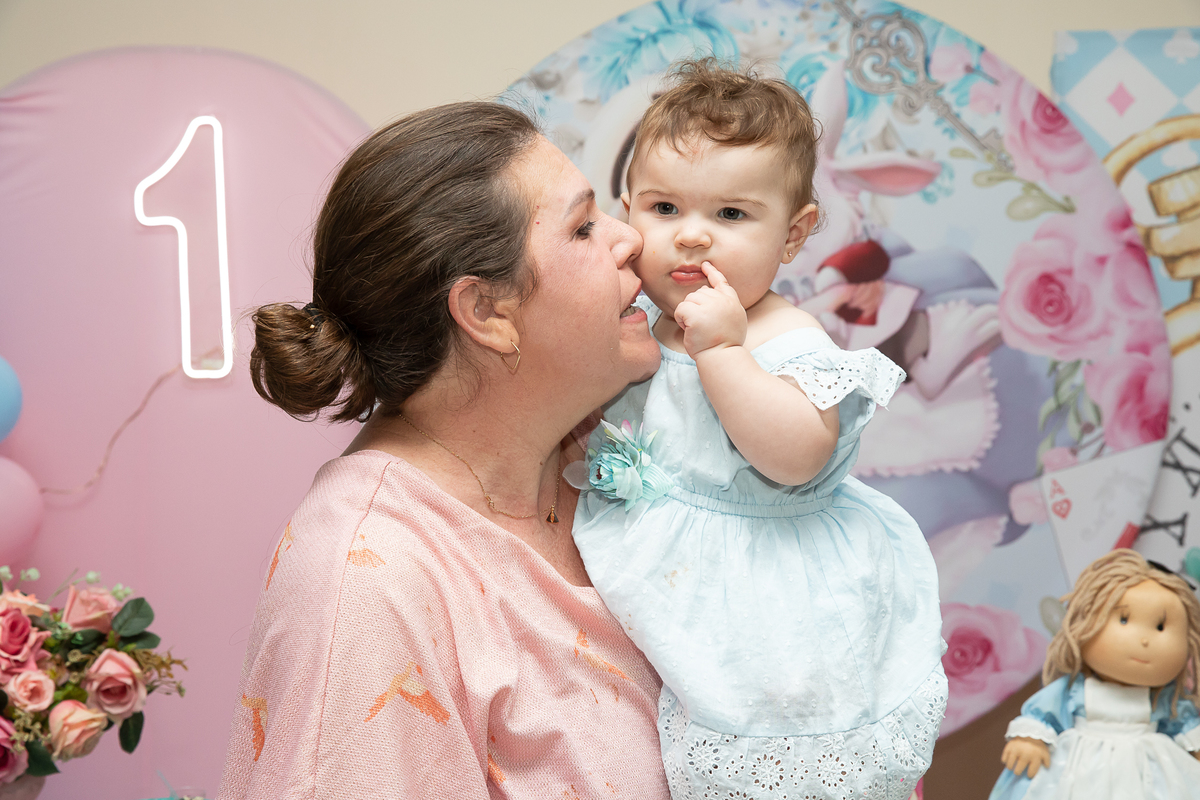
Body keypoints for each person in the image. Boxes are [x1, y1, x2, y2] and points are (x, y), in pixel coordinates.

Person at [216, 102, 672, 798]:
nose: (631, 238)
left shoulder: (614, 445)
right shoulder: (367, 585)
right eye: (583, 227)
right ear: (486, 312)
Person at [570, 59, 947, 799]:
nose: (692, 237)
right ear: (627, 213)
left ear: (793, 235)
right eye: (665, 209)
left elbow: (797, 456)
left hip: (767, 596)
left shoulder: (786, 335)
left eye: (732, 216)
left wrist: (723, 353)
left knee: (766, 752)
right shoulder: (637, 324)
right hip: (663, 574)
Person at [989, 549, 1200, 800]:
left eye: (1160, 626)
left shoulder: (1163, 699)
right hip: (1079, 772)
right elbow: (1043, 715)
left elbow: (1186, 725)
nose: (1144, 640)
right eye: (1124, 619)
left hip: (1151, 775)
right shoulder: (1074, 689)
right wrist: (1030, 739)